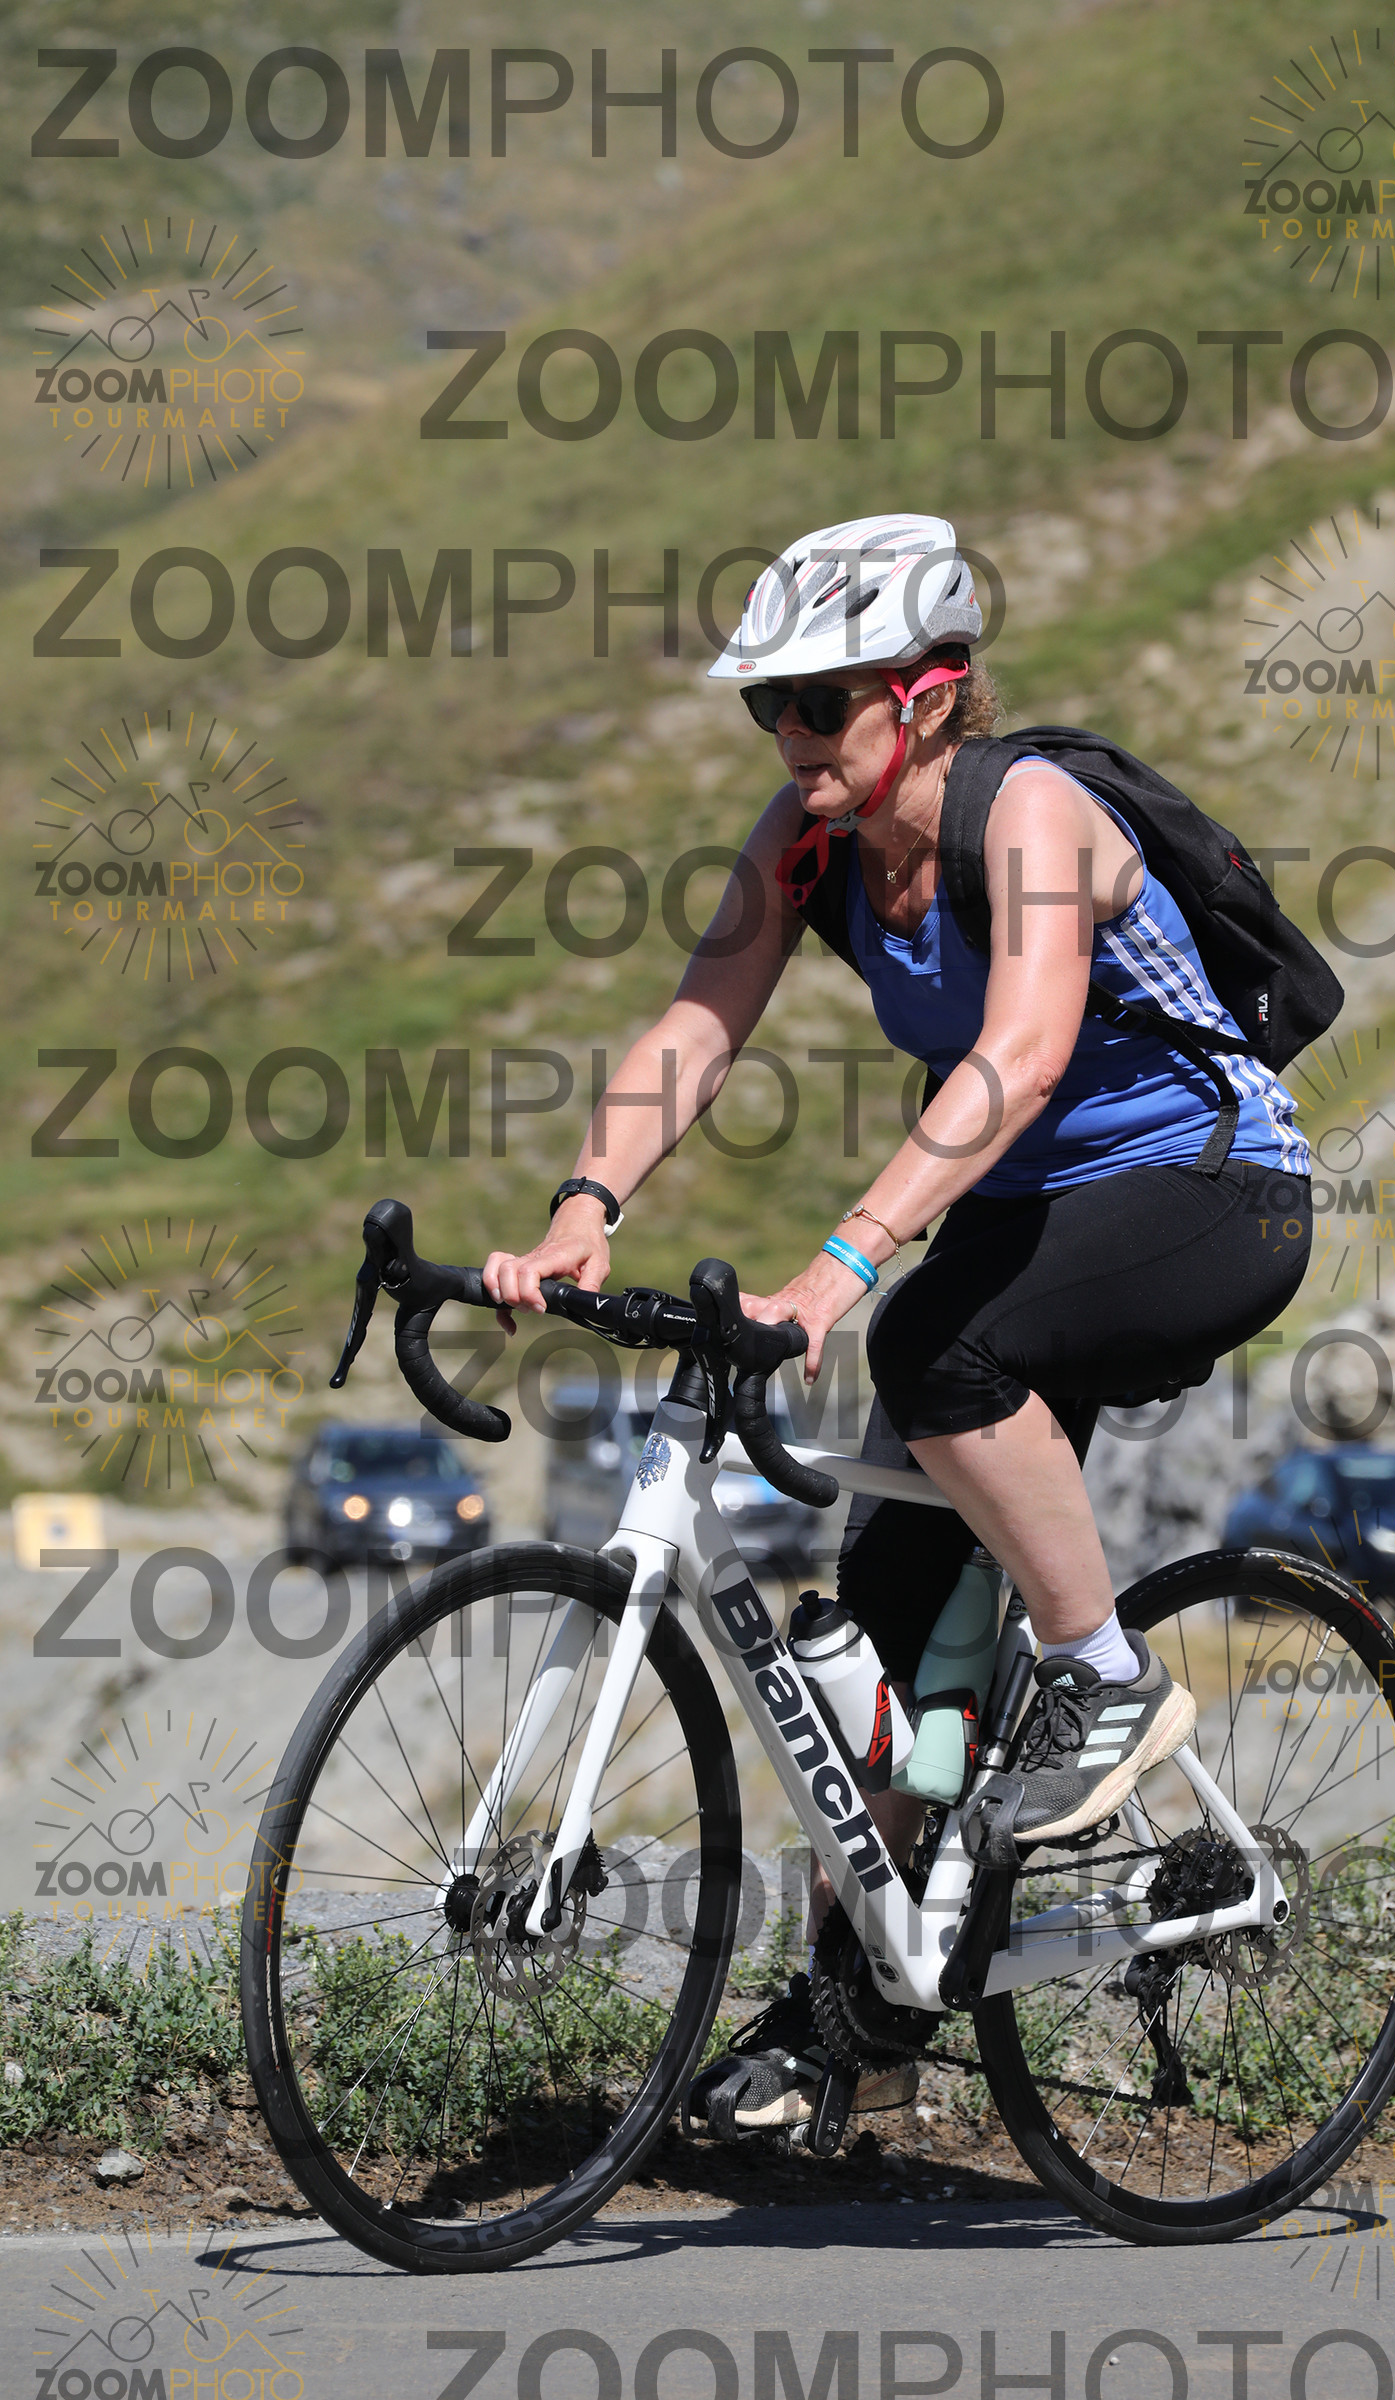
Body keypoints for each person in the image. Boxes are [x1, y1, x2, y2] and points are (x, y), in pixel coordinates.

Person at [483, 512, 1313, 2133]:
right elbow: (699, 1022)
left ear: (928, 697)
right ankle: (852, 2024)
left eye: (819, 702)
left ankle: (1105, 1676)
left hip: (1211, 1186)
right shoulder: (811, 840)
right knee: (874, 1644)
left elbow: (1020, 1053)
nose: (789, 736)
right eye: (767, 707)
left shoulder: (1033, 812)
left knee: (933, 1350)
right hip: (1028, 1218)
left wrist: (837, 1270)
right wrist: (586, 1203)